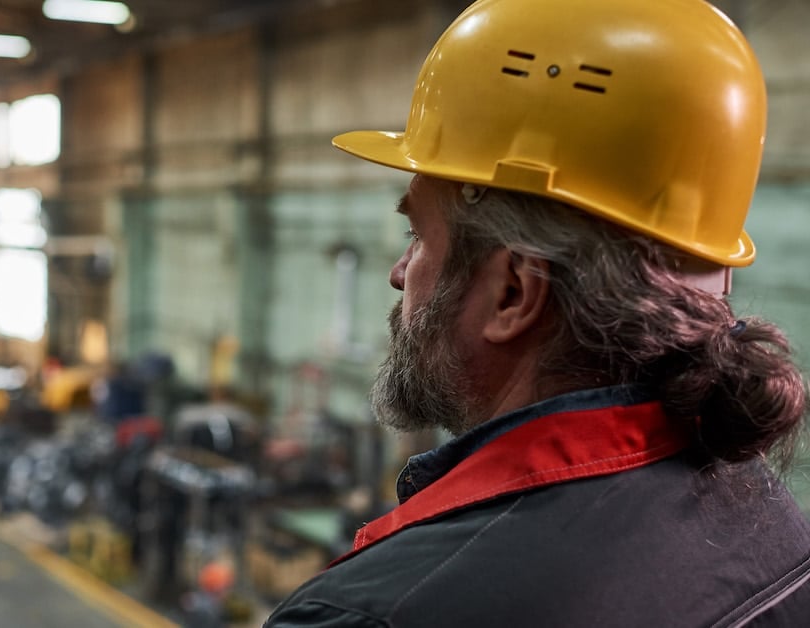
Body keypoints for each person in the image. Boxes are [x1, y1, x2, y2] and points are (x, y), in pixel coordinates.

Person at [265, 0, 810, 625]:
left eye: (417, 235)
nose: (398, 272)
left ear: (514, 293)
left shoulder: (377, 614)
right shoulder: (774, 529)